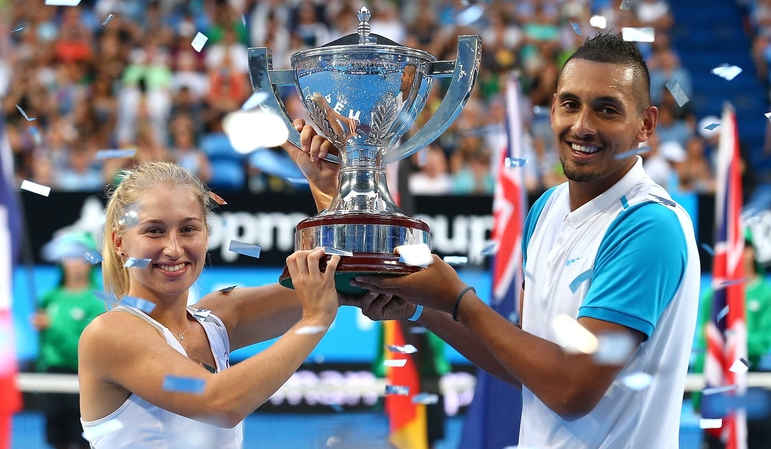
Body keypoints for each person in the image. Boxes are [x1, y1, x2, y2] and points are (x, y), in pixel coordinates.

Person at [297, 32, 701, 447]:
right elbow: (524, 363)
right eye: (570, 104)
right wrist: (424, 308)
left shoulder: (648, 225)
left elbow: (572, 389)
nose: (582, 125)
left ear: (646, 125)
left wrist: (459, 300)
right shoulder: (547, 208)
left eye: (607, 110)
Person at [78, 160, 341, 448]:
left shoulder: (221, 314)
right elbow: (219, 402)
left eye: (188, 229)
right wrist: (314, 321)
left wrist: (328, 189)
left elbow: (340, 278)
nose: (174, 248)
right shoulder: (110, 333)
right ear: (119, 242)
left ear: (206, 235)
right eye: (154, 231)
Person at [693, 228, 771, 448]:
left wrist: (735, 347)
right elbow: (707, 346)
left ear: (753, 251)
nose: (740, 253)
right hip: (717, 389)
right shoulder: (713, 295)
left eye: (745, 246)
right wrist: (701, 394)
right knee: (714, 442)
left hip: (754, 386)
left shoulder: (766, 294)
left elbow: (762, 344)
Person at [33, 232, 106, 449]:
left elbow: (86, 348)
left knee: (84, 439)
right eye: (70, 257)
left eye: (81, 257)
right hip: (53, 378)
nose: (75, 264)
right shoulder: (49, 298)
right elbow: (45, 347)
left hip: (83, 379)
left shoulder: (98, 301)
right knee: (58, 439)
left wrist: (51, 328)